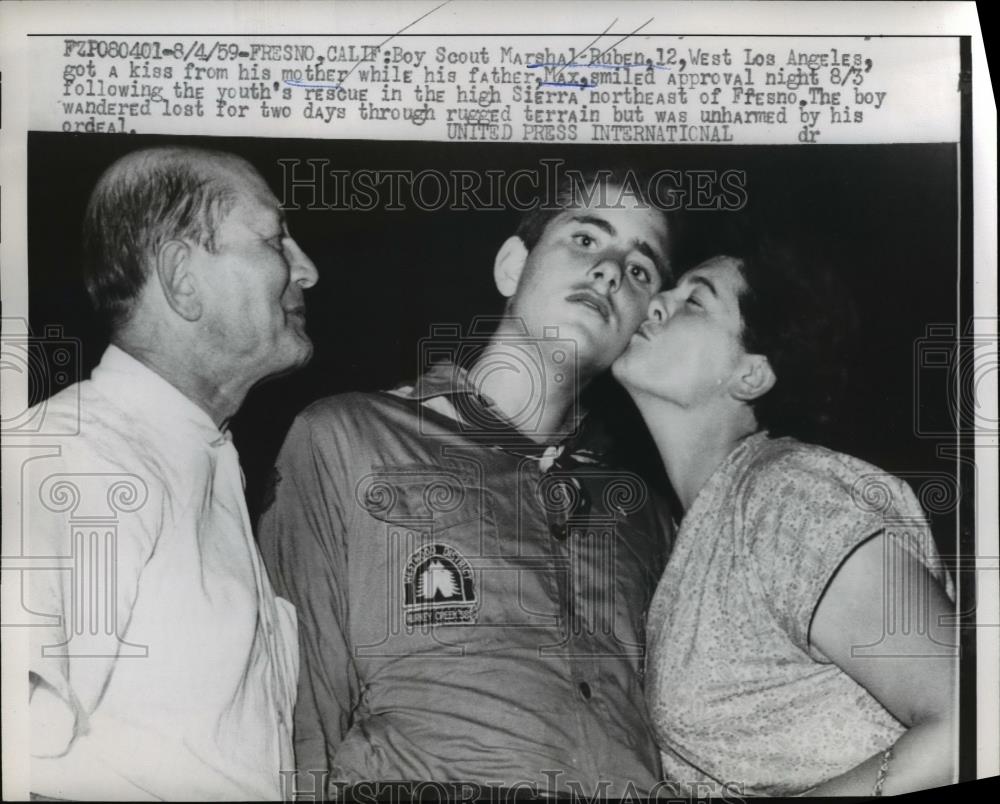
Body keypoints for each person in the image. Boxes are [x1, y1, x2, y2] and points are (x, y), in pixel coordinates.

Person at [258, 169, 676, 798]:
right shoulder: (351, 436)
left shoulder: (642, 513)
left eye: (641, 270)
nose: (612, 270)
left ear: (644, 321)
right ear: (513, 266)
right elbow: (299, 706)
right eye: (587, 240)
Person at [24, 146, 319, 800]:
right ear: (183, 278)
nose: (307, 269)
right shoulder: (81, 460)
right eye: (274, 242)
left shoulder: (202, 458)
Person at [612, 242, 957, 797]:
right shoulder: (693, 534)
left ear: (751, 376)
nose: (655, 303)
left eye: (694, 301)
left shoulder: (789, 494)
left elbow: (974, 719)